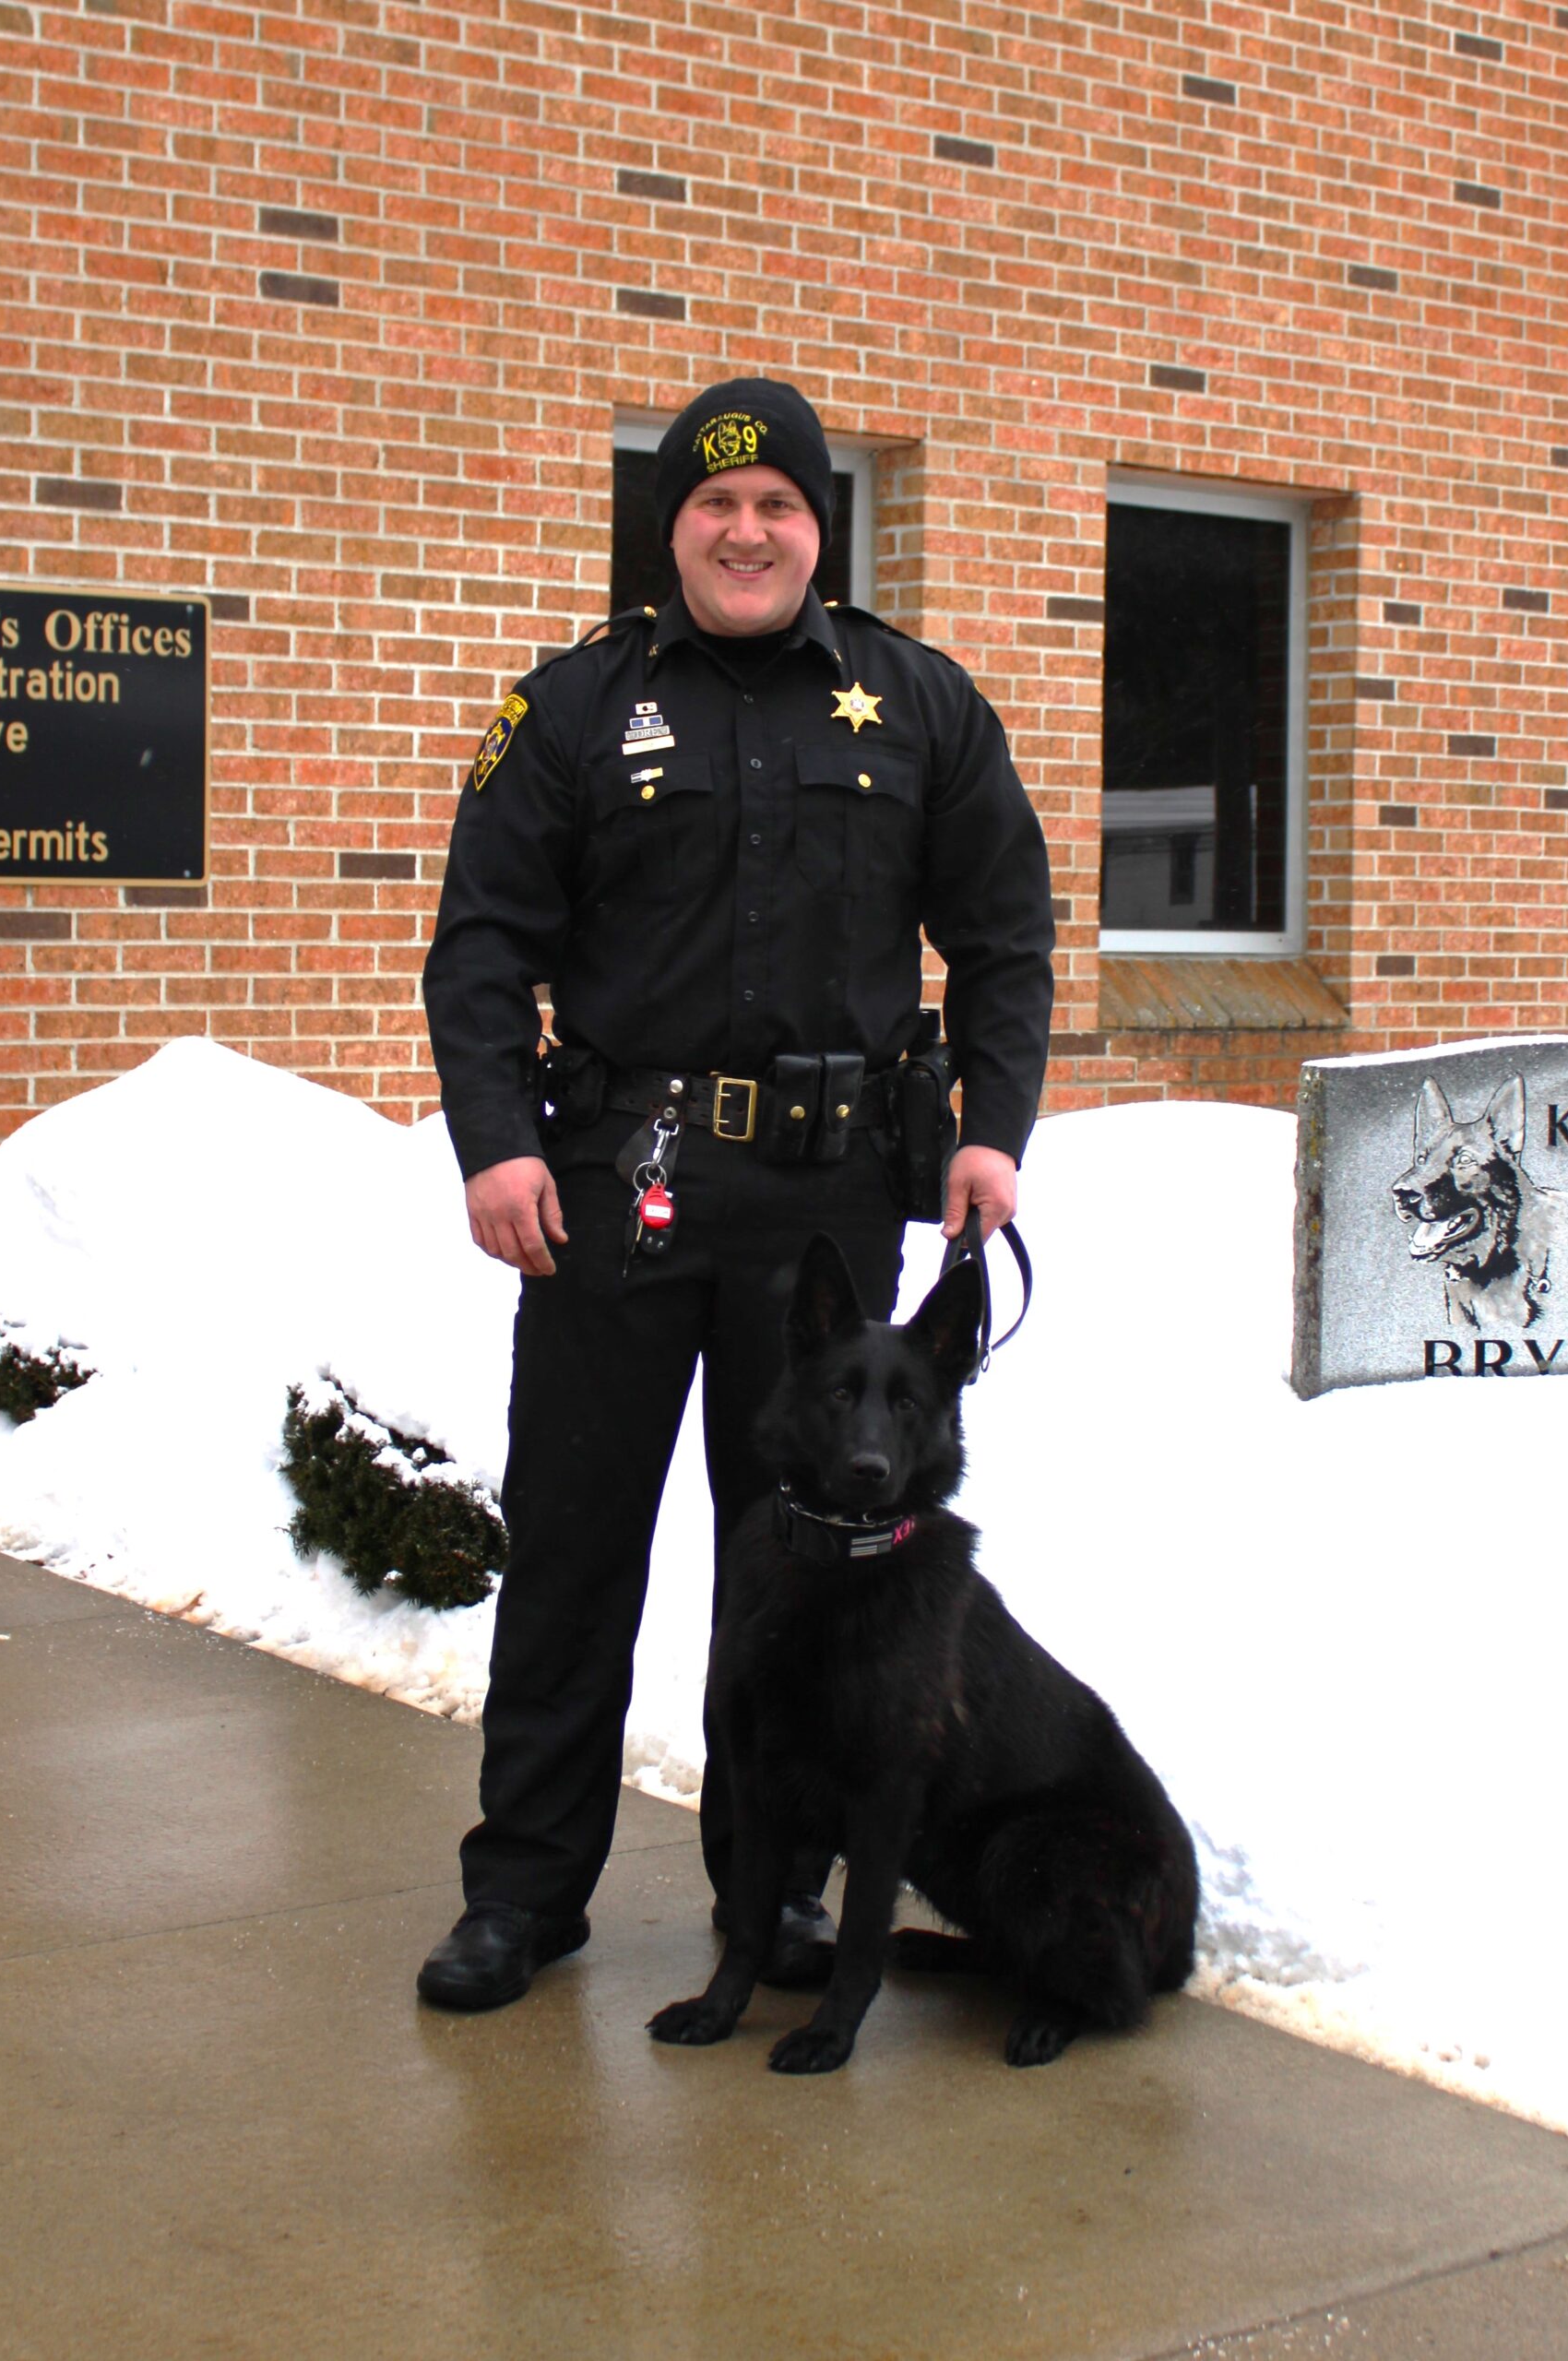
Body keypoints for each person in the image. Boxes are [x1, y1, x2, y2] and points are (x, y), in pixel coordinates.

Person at [416, 375, 1054, 2011]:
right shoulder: (573, 710)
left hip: (829, 1214)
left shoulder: (916, 706)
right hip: (613, 1192)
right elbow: (482, 941)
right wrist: (492, 1139)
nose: (747, 531)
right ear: (672, 528)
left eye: (778, 505)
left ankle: (760, 1896)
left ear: (816, 529)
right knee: (573, 1548)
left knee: (798, 1574)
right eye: (716, 506)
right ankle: (527, 1892)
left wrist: (996, 1127)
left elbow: (1003, 935)